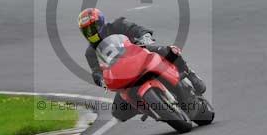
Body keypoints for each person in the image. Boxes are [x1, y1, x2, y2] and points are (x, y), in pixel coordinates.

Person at [78, 8, 206, 122]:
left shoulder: (117, 25)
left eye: (93, 27)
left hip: (140, 53)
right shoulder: (90, 52)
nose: (91, 33)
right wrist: (101, 80)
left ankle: (191, 75)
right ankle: (146, 106)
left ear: (101, 22)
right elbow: (96, 71)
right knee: (118, 112)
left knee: (167, 50)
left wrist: (144, 37)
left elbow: (137, 29)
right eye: (86, 30)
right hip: (122, 74)